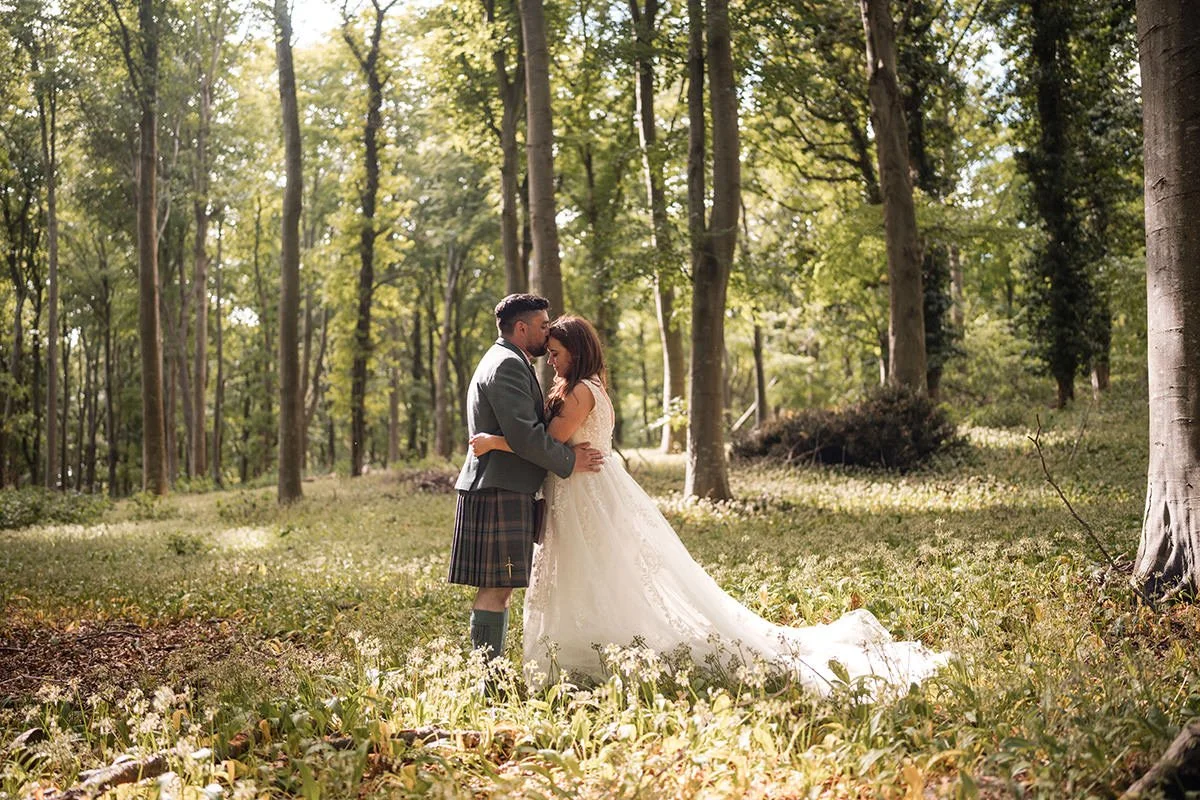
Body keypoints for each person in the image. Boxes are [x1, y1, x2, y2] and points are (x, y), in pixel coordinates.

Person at [470, 314, 949, 694]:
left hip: (582, 492)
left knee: (594, 571)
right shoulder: (592, 387)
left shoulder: (578, 392)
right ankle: (586, 649)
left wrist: (495, 441)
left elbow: (540, 443)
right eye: (549, 353)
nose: (551, 361)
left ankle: (592, 653)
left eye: (555, 353)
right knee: (598, 571)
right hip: (583, 489)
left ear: (576, 351)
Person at [449, 295, 604, 664]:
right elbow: (527, 436)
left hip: (502, 485)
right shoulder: (507, 366)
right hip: (499, 487)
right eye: (543, 324)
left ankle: (489, 673)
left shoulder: (508, 361)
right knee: (497, 587)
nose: (548, 330)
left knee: (499, 587)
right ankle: (486, 677)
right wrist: (569, 460)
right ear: (522, 328)